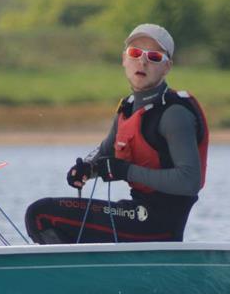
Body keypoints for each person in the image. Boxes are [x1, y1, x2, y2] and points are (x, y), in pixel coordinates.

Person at [25, 23, 209, 244]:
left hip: (155, 226)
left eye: (153, 56)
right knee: (43, 214)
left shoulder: (174, 113)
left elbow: (189, 181)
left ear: (167, 66)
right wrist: (86, 168)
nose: (142, 62)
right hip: (135, 215)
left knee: (41, 214)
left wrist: (125, 170)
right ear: (124, 59)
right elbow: (104, 154)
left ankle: (69, 276)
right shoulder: (128, 108)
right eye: (135, 53)